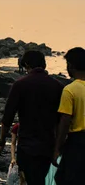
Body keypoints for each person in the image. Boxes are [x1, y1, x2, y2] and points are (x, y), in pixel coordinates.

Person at [0, 49, 63, 185]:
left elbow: (7, 117)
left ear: (26, 64)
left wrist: (2, 141)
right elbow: (62, 120)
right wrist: (58, 147)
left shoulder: (20, 85)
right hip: (48, 146)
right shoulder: (58, 86)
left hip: (27, 146)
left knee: (28, 180)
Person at [53, 47, 85, 184]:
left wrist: (57, 148)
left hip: (77, 141)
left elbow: (65, 121)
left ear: (71, 66)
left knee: (65, 178)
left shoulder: (70, 90)